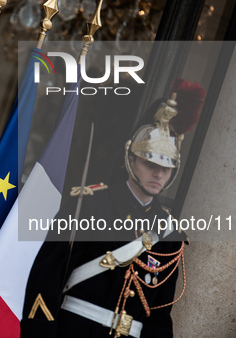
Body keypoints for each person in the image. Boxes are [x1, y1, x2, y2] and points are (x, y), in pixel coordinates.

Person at [22, 82, 204, 338]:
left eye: (167, 167)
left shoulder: (169, 235)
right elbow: (47, 278)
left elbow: (159, 316)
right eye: (149, 161)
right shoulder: (89, 205)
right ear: (131, 159)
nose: (158, 173)